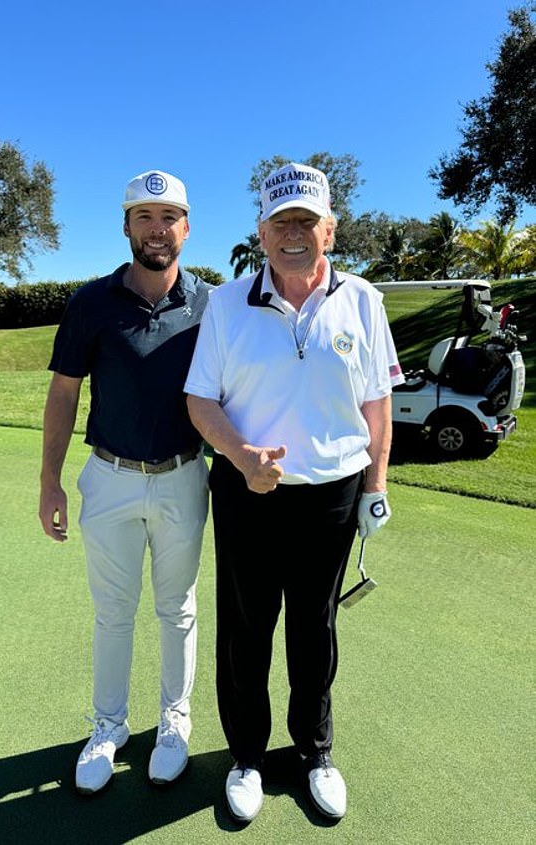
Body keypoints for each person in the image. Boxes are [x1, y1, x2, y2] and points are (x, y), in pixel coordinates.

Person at [184, 162, 404, 823]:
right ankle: (247, 757)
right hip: (247, 490)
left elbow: (378, 403)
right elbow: (199, 399)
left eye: (306, 222)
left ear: (328, 230)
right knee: (246, 630)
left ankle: (314, 752)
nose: (293, 235)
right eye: (281, 223)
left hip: (332, 495)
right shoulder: (227, 304)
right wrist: (241, 455)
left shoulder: (362, 299)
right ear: (261, 232)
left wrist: (376, 484)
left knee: (316, 628)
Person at [39, 169, 211, 794]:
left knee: (177, 609)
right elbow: (63, 394)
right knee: (114, 613)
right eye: (144, 217)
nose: (157, 229)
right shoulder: (89, 303)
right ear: (126, 226)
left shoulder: (209, 304)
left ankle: (174, 722)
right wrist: (50, 482)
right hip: (109, 477)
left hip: (184, 478)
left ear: (186, 229)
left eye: (168, 218)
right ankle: (109, 726)